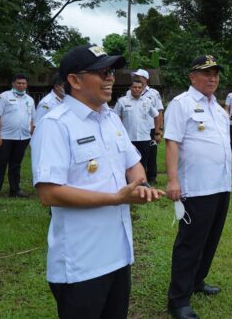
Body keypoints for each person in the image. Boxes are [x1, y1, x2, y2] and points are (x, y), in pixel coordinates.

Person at [31, 44, 164, 319]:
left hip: (118, 254)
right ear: (74, 80)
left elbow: (134, 163)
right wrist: (117, 198)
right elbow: (49, 193)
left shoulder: (111, 119)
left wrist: (139, 183)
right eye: (101, 72)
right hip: (81, 263)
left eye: (112, 72)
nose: (111, 78)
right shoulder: (56, 124)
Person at [164, 55, 232, 319]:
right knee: (190, 244)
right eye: (207, 73)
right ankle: (178, 300)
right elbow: (172, 142)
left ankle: (197, 281)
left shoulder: (219, 110)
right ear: (192, 76)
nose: (213, 78)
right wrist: (173, 180)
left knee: (210, 240)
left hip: (220, 186)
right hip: (196, 188)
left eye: (216, 74)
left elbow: (225, 146)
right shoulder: (181, 104)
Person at [0, 73, 36, 198]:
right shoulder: (4, 96)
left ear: (26, 84)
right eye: (19, 83)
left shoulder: (29, 99)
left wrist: (31, 129)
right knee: (0, 163)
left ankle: (15, 190)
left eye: (23, 83)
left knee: (16, 164)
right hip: (5, 137)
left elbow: (32, 117)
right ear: (13, 84)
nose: (21, 85)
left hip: (23, 137)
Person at [113, 79, 160, 172]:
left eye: (139, 87)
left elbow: (157, 116)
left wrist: (157, 131)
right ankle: (128, 184)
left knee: (143, 163)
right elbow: (115, 117)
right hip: (128, 139)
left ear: (142, 89)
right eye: (135, 87)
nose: (137, 89)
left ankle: (142, 183)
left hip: (144, 138)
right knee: (128, 164)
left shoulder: (147, 101)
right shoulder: (122, 101)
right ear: (130, 88)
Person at [130, 69, 164, 184]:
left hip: (150, 128)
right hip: (135, 129)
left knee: (151, 153)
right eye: (135, 77)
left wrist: (158, 131)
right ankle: (136, 177)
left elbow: (159, 112)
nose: (136, 78)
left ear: (145, 79)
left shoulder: (154, 93)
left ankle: (152, 177)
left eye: (139, 77)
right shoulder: (129, 93)